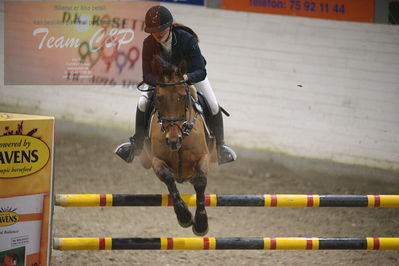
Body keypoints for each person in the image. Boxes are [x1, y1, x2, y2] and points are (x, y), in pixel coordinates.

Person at [115, 5, 236, 164]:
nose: (158, 34)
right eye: (154, 31)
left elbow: (201, 71)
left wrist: (186, 77)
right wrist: (162, 83)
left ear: (170, 26)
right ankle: (136, 144)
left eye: (162, 30)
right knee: (142, 102)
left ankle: (221, 147)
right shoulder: (148, 44)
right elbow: (147, 75)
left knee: (213, 104)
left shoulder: (187, 39)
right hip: (163, 81)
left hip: (190, 75)